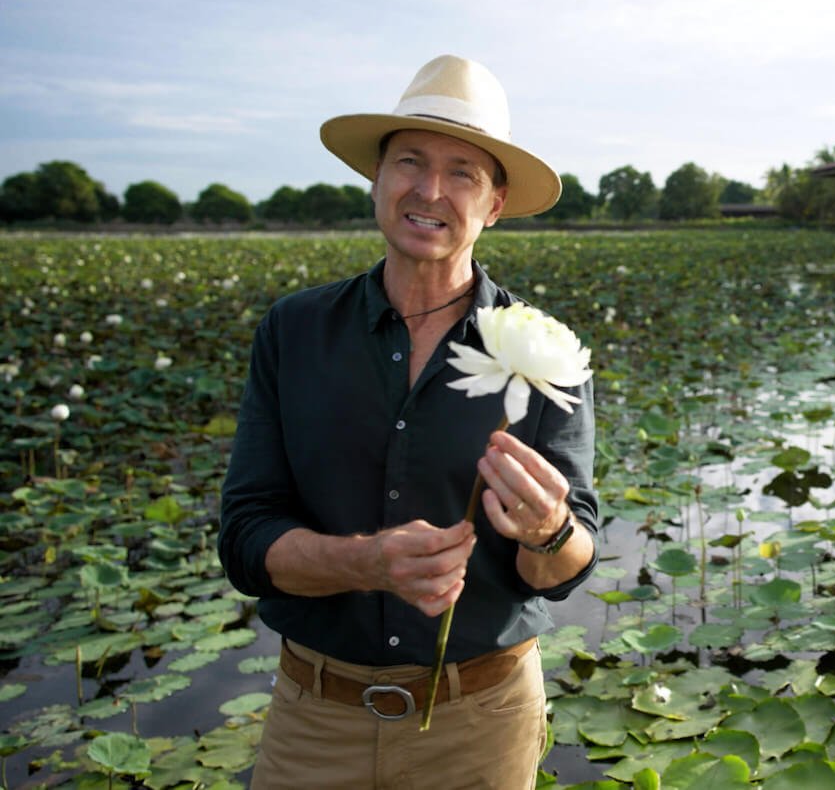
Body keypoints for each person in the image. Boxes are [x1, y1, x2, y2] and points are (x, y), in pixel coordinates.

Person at [219, 54, 598, 790]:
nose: (430, 190)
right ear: (376, 179)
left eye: (463, 172)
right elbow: (245, 539)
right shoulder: (294, 330)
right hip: (312, 720)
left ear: (494, 204)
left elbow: (562, 571)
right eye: (410, 163)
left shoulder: (544, 352)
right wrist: (364, 561)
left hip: (481, 723)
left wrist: (548, 530)